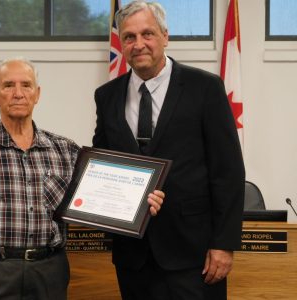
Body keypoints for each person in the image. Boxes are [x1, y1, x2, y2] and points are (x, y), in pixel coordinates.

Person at [0, 56, 165, 300]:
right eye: (8, 85)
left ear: (37, 94)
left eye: (26, 85)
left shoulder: (66, 150)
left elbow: (103, 195)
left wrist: (142, 200)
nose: (18, 93)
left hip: (49, 270)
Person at [92, 1, 245, 299]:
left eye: (147, 34)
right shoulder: (107, 96)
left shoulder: (205, 88)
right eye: (129, 37)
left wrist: (224, 244)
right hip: (133, 255)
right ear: (121, 43)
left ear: (165, 36)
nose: (139, 44)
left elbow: (228, 171)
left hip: (194, 253)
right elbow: (102, 163)